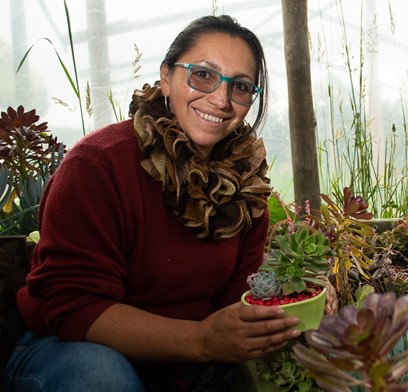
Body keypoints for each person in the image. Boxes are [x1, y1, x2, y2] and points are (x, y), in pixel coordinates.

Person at [2, 14, 301, 392]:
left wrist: (295, 306)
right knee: (103, 377)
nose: (221, 99)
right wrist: (201, 340)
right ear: (165, 78)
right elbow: (74, 309)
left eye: (240, 86)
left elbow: (236, 299)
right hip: (70, 353)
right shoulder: (97, 166)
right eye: (203, 75)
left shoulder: (244, 184)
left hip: (188, 366)